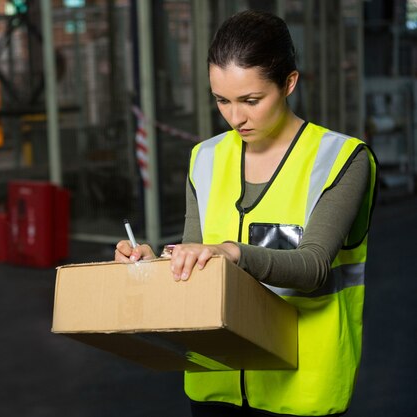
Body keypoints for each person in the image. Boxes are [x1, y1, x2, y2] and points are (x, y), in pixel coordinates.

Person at [115, 10, 377, 417]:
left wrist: (233, 253)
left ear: (289, 82)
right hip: (214, 381)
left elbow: (313, 268)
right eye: (222, 100)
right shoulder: (203, 159)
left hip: (300, 391)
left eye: (251, 100)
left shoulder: (341, 159)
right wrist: (153, 268)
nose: (236, 117)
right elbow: (194, 260)